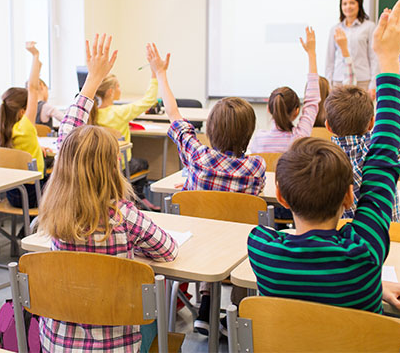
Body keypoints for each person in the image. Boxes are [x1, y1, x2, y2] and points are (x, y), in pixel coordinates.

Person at [247, 0, 400, 313]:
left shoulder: (262, 249)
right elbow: (382, 161)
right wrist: (389, 60)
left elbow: (382, 161)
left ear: (280, 195)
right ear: (351, 197)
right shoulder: (365, 254)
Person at [37, 34, 177, 353]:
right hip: (111, 346)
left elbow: (67, 140)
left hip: (56, 344)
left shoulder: (54, 212)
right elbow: (167, 251)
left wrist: (92, 80)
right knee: (154, 302)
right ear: (114, 166)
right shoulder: (122, 216)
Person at [146, 42, 265, 336]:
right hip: (238, 252)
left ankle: (206, 304)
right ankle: (235, 316)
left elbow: (174, 115)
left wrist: (161, 74)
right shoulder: (256, 167)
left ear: (210, 129)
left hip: (196, 246)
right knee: (243, 243)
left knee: (210, 232)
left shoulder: (198, 157)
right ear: (249, 133)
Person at [325, 8, 400, 221]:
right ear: (373, 122)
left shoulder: (317, 162)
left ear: (327, 125)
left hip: (337, 250)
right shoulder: (382, 149)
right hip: (385, 249)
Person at [87, 56, 158, 208]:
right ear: (111, 92)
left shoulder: (91, 115)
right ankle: (139, 198)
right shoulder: (120, 112)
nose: (120, 89)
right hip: (120, 166)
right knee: (143, 162)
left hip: (98, 166)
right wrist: (154, 73)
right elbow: (149, 100)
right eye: (118, 86)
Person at [249, 27, 320, 153]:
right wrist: (311, 53)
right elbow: (312, 101)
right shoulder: (299, 138)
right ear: (297, 111)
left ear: (269, 109)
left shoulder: (259, 139)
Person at [0, 41, 46, 208]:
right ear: (23, 111)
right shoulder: (25, 127)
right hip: (34, 195)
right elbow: (32, 88)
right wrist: (35, 55)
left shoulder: (3, 130)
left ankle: (27, 228)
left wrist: (38, 149)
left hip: (12, 194)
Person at [326, 0, 378, 97]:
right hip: (339, 81)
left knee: (362, 113)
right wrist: (328, 83)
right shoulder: (335, 29)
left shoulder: (369, 27)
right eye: (344, 4)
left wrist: (373, 84)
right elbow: (329, 59)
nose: (348, 6)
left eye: (352, 3)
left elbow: (374, 57)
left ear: (359, 4)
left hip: (362, 80)